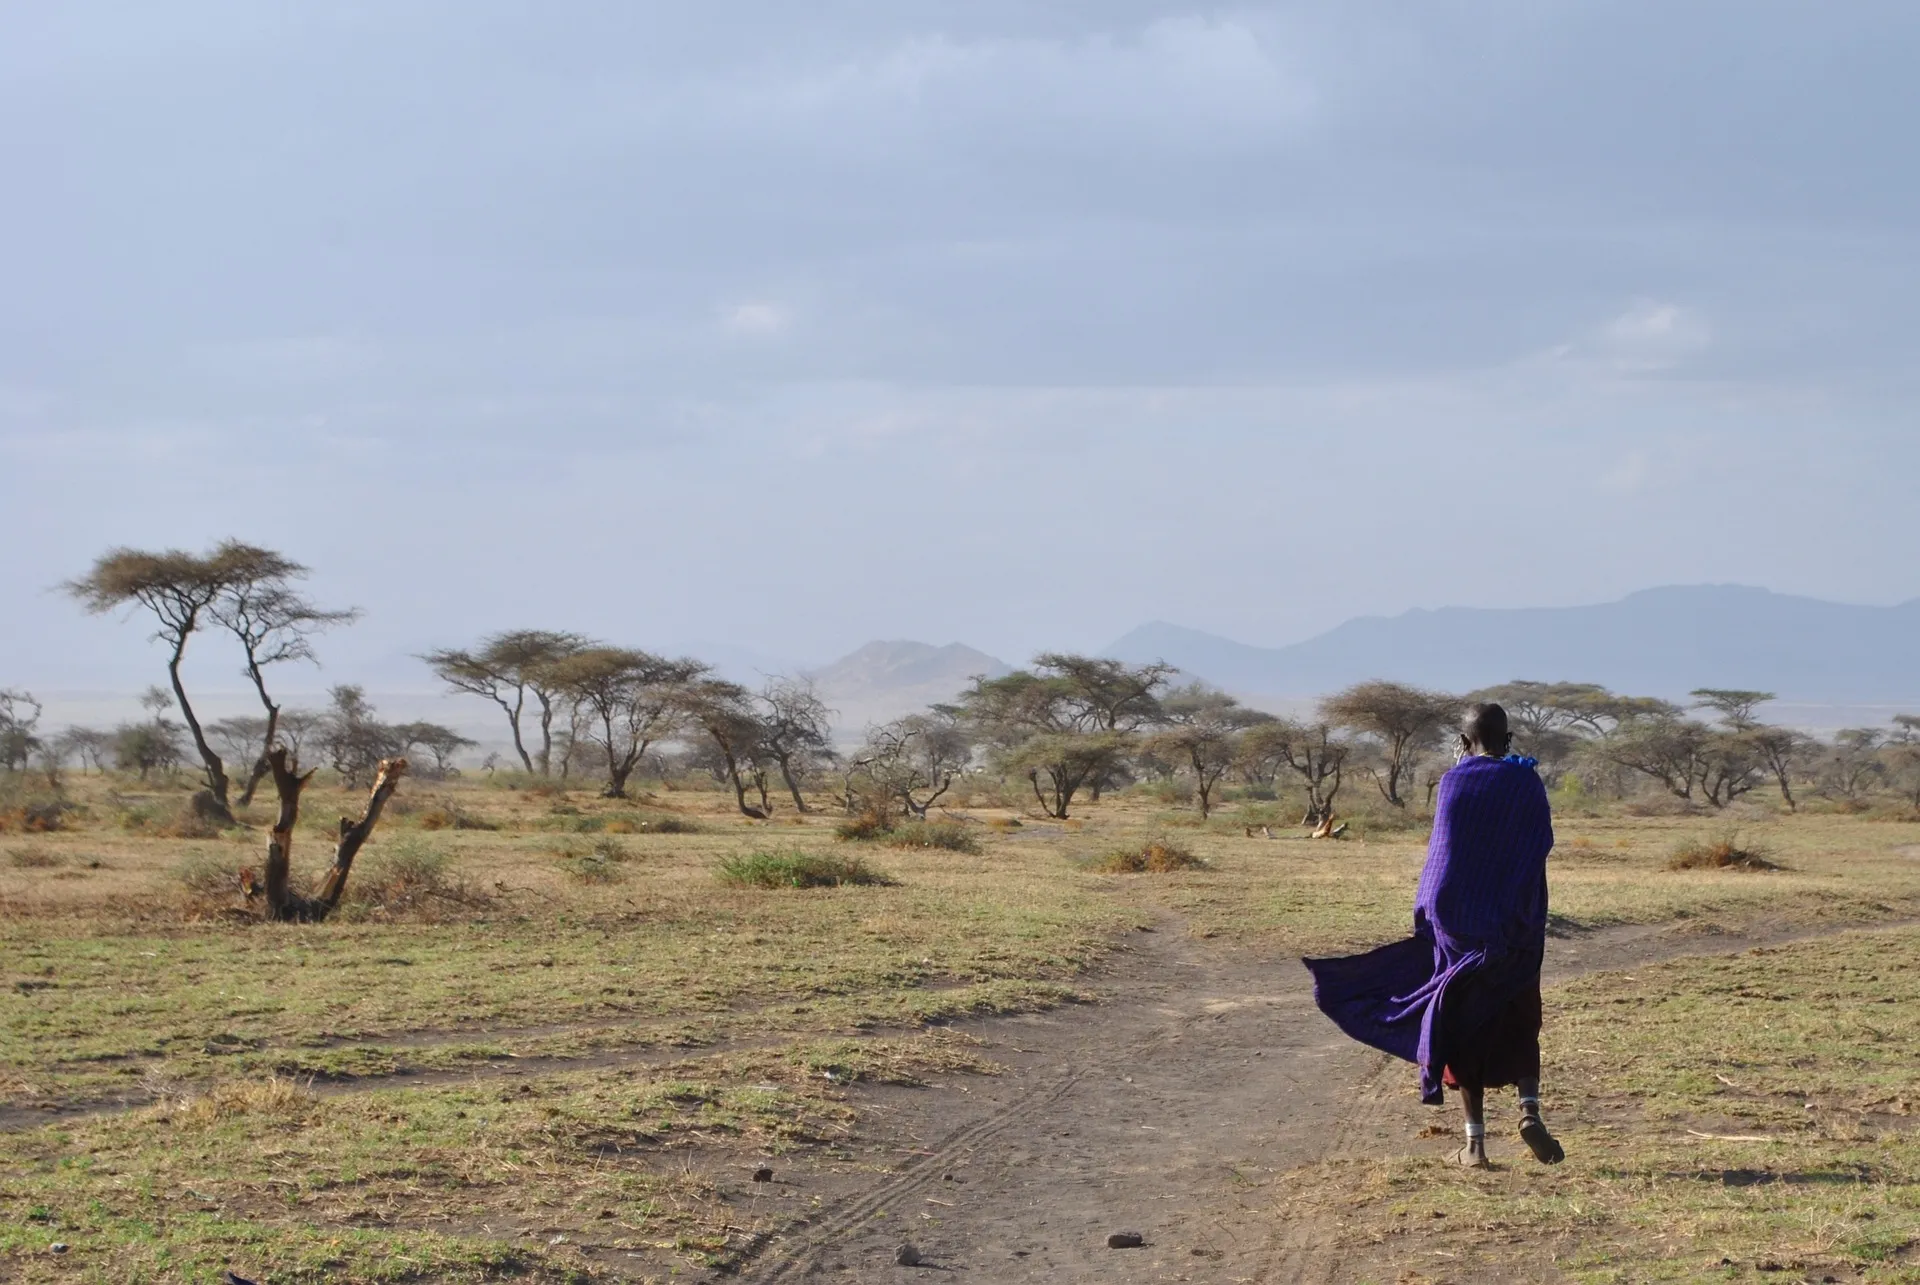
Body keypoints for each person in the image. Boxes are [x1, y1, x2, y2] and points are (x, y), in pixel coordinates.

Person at [1303, 703, 1563, 1168]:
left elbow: (1442, 856)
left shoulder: (1453, 782)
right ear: (1508, 741)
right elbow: (1540, 843)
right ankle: (1529, 1110)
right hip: (1515, 922)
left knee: (1462, 1022)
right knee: (1520, 1013)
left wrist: (1428, 915)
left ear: (1463, 744)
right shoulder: (1526, 781)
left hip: (1458, 921)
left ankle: (1475, 1145)